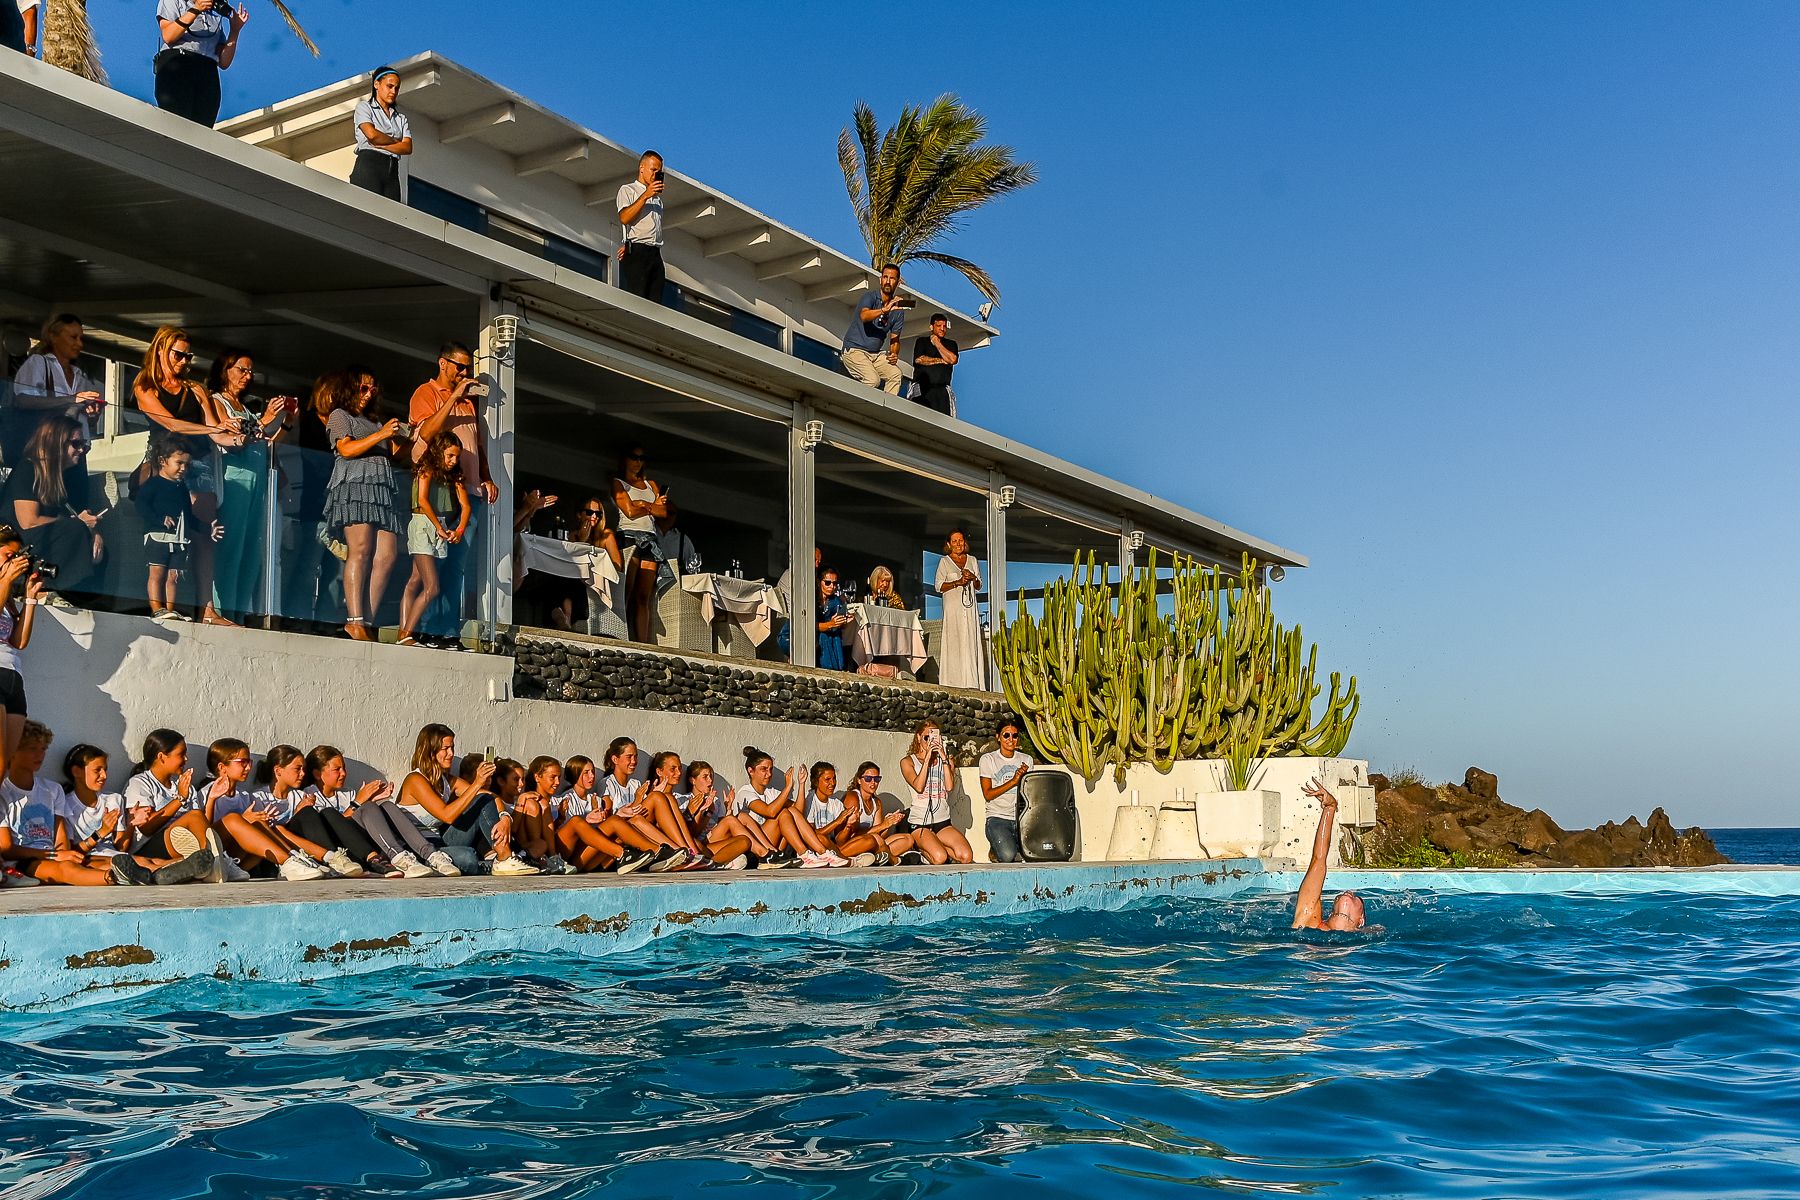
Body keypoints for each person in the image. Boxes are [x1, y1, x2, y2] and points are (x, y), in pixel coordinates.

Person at [0, 723, 212, 887]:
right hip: (28, 863)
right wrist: (64, 851)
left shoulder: (53, 790)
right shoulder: (5, 791)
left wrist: (128, 824)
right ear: (13, 751)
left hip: (67, 855)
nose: (40, 755)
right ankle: (115, 878)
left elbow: (63, 843)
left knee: (143, 861)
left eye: (43, 749)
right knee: (69, 868)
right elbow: (7, 849)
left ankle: (187, 869)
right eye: (32, 749)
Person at [134, 326, 240, 625]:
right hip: (166, 466)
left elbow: (218, 433)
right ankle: (162, 605)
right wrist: (216, 429)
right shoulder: (145, 386)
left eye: (188, 356)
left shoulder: (196, 389)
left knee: (204, 535)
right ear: (161, 352)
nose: (184, 361)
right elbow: (173, 424)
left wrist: (243, 434)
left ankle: (207, 609)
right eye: (178, 354)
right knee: (169, 534)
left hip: (200, 462)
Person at [409, 343, 493, 650]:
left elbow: (477, 444)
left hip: (468, 489)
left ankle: (447, 632)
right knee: (434, 566)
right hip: (441, 492)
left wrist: (487, 476)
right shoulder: (426, 393)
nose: (465, 373)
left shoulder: (470, 403)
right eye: (460, 367)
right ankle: (426, 629)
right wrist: (453, 397)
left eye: (468, 368)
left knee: (456, 566)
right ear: (443, 363)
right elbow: (426, 434)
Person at [322, 369, 405, 641]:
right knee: (361, 551)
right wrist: (382, 434)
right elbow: (346, 449)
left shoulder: (373, 420)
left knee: (387, 555)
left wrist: (409, 435)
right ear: (349, 389)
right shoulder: (339, 415)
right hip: (355, 486)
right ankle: (354, 620)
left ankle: (366, 619)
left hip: (380, 490)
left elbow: (397, 455)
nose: (368, 394)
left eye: (372, 389)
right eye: (363, 389)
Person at [207, 349, 287, 623]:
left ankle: (239, 612)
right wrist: (264, 420)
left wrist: (285, 421)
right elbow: (228, 437)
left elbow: (265, 440)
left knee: (253, 550)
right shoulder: (217, 402)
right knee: (231, 546)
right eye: (241, 369)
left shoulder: (246, 408)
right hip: (234, 479)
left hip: (258, 480)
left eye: (250, 371)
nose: (247, 375)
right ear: (225, 371)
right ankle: (222, 611)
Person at [302, 744, 459, 878]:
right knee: (368, 806)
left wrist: (373, 800)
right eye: (337, 769)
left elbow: (358, 816)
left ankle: (430, 855)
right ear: (317, 774)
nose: (343, 773)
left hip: (366, 841)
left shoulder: (347, 792)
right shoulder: (310, 795)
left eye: (344, 768)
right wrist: (360, 802)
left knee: (387, 806)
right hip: (346, 851)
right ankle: (398, 858)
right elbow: (334, 824)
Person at [397, 724, 536, 875]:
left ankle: (505, 858)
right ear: (430, 751)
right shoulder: (415, 780)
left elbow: (490, 796)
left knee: (483, 799)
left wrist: (505, 817)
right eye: (446, 748)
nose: (451, 753)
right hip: (420, 849)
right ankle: (493, 863)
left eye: (452, 748)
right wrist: (477, 783)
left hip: (441, 843)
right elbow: (447, 815)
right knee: (468, 857)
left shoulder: (447, 780)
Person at [198, 736, 332, 881]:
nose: (248, 767)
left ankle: (295, 860)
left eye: (249, 762)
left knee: (262, 823)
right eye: (243, 762)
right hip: (216, 852)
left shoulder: (243, 795)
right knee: (234, 819)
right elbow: (204, 832)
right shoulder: (206, 793)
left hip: (237, 857)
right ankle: (288, 862)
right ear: (222, 767)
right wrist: (215, 802)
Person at [2, 415, 104, 595]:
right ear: (56, 443)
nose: (81, 449)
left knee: (85, 537)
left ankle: (81, 595)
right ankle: (50, 590)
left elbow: (72, 517)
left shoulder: (60, 477)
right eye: (76, 443)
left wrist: (92, 532)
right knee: (73, 530)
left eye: (84, 444)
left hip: (35, 542)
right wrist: (80, 524)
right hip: (12, 545)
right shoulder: (28, 468)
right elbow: (28, 521)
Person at [258, 744, 392, 878]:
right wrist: (356, 803)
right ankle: (333, 859)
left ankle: (368, 858)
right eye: (298, 769)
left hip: (318, 848)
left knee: (316, 812)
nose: (303, 774)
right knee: (308, 813)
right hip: (283, 851)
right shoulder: (259, 798)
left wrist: (368, 802)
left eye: (303, 769)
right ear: (278, 771)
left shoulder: (298, 795)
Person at [279, 371, 346, 633]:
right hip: (312, 500)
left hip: (338, 502)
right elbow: (292, 450)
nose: (332, 399)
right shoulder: (306, 420)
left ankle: (327, 621)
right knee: (309, 561)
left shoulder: (342, 424)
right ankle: (297, 616)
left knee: (335, 565)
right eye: (329, 393)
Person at [135, 438, 222, 620]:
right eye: (179, 463)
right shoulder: (153, 484)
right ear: (162, 461)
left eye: (187, 464)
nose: (183, 468)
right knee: (157, 573)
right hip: (158, 537)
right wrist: (159, 520)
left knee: (173, 576)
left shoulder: (182, 487)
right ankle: (157, 608)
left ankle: (170, 609)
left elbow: (189, 516)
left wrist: (208, 528)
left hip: (179, 540)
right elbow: (142, 506)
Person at [397, 432, 469, 647]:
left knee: (414, 581)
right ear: (440, 452)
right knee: (432, 586)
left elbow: (466, 506)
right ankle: (407, 632)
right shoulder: (426, 468)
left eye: (456, 457)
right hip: (423, 524)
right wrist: (438, 528)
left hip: (441, 526)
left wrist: (460, 530)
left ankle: (403, 632)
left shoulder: (455, 475)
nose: (453, 461)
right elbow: (422, 499)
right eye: (449, 456)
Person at [7, 313, 105, 464]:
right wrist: (71, 399)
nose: (79, 344)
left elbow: (82, 419)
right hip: (46, 451)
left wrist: (92, 416)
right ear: (54, 337)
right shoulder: (39, 363)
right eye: (73, 337)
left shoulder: (79, 374)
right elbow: (24, 400)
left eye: (80, 338)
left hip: (78, 451)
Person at [730, 747, 846, 868]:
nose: (769, 774)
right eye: (764, 769)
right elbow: (769, 812)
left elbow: (797, 812)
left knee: (789, 811)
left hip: (775, 846)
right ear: (751, 771)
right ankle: (804, 853)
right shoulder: (745, 792)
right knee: (782, 813)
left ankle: (821, 853)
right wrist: (787, 787)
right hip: (755, 848)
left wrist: (801, 784)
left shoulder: (771, 792)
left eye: (770, 769)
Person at [553, 754, 658, 874]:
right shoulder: (562, 800)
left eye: (592, 771)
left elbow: (607, 827)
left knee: (617, 822)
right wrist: (585, 820)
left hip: (591, 855)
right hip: (570, 857)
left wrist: (620, 813)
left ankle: (656, 851)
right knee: (578, 821)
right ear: (575, 774)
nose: (592, 776)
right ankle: (630, 854)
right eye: (586, 773)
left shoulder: (596, 800)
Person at [154, 0, 249, 127]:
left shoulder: (213, 12)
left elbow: (224, 61)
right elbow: (169, 35)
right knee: (176, 122)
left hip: (207, 70)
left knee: (203, 126)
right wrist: (196, 9)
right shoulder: (174, 1)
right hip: (178, 63)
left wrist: (235, 30)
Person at [0, 528, 46, 786]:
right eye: (8, 554)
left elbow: (19, 641)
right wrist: (5, 581)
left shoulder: (6, 598)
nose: (14, 561)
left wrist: (29, 600)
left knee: (7, 763)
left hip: (13, 676)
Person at [612, 447, 672, 644]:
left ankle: (643, 641)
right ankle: (623, 636)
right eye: (634, 457)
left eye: (642, 458)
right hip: (629, 536)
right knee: (626, 591)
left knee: (644, 595)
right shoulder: (618, 483)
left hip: (650, 538)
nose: (638, 461)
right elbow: (628, 511)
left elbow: (663, 513)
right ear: (625, 459)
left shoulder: (650, 484)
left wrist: (642, 504)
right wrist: (651, 507)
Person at [1291, 779, 1367, 932]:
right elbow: (1319, 859)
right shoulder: (1308, 920)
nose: (1348, 892)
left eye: (1358, 898)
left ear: (1361, 920)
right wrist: (1330, 808)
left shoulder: (1373, 943)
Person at [899, 720, 973, 864]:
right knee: (939, 858)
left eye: (934, 738)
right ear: (919, 737)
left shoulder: (945, 761)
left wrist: (943, 757)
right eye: (927, 737)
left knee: (966, 856)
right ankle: (920, 850)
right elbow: (918, 787)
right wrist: (927, 759)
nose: (930, 741)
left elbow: (949, 787)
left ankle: (934, 844)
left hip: (942, 821)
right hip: (920, 822)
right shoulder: (908, 761)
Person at [840, 263, 906, 394]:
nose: (887, 281)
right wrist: (883, 310)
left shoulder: (898, 311)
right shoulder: (870, 297)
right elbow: (864, 315)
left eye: (892, 278)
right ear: (880, 279)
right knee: (873, 380)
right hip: (854, 351)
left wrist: (894, 354)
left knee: (895, 374)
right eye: (885, 277)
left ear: (898, 283)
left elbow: (895, 339)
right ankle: (852, 403)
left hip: (875, 355)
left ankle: (884, 411)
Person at [934, 528, 985, 689]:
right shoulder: (944, 562)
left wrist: (973, 577)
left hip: (969, 610)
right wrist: (957, 582)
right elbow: (938, 586)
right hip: (953, 609)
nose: (958, 544)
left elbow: (979, 586)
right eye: (955, 541)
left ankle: (971, 681)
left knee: (969, 640)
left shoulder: (972, 560)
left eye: (961, 540)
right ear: (949, 544)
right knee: (954, 641)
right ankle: (952, 681)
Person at [351, 66, 411, 200]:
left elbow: (407, 147)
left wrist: (383, 144)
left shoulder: (400, 118)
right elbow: (372, 135)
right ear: (376, 84)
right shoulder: (364, 107)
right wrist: (396, 143)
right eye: (389, 86)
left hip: (392, 170)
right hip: (370, 163)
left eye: (396, 88)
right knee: (367, 208)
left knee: (391, 214)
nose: (393, 91)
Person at [615, 150, 668, 302]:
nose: (656, 175)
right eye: (653, 170)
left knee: (655, 301)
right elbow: (625, 218)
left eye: (659, 171)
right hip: (638, 251)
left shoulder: (658, 200)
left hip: (655, 252)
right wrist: (645, 195)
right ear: (642, 168)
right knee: (636, 298)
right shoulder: (628, 190)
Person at [837, 760, 913, 865]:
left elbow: (881, 834)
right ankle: (892, 859)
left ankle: (877, 858)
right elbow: (851, 835)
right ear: (859, 780)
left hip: (871, 843)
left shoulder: (876, 802)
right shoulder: (853, 797)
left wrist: (889, 823)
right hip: (849, 845)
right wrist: (883, 825)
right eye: (868, 779)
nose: (873, 783)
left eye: (877, 779)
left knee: (908, 839)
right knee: (873, 839)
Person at [978, 717, 1032, 863]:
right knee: (1008, 856)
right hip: (998, 817)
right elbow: (988, 794)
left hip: (1020, 817)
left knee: (1033, 853)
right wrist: (1013, 781)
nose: (1010, 739)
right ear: (998, 737)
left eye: (1014, 735)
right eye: (1006, 735)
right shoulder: (988, 759)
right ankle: (996, 849)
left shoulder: (1026, 760)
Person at [910, 313, 959, 416]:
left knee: (945, 420)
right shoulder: (922, 341)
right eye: (939, 326)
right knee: (918, 416)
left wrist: (937, 343)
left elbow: (952, 359)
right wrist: (941, 360)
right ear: (931, 327)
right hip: (921, 387)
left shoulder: (951, 344)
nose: (942, 329)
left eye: (944, 326)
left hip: (942, 391)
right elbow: (919, 360)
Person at [813, 567, 854, 670]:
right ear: (819, 582)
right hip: (815, 638)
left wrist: (844, 621)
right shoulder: (812, 599)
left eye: (835, 583)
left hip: (833, 639)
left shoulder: (836, 601)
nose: (832, 586)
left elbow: (840, 625)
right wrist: (831, 624)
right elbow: (810, 625)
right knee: (824, 636)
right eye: (827, 583)